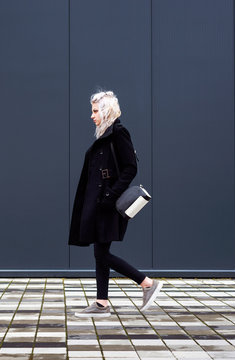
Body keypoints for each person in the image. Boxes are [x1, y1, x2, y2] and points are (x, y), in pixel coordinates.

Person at [69, 90, 162, 318]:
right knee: (100, 251)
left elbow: (131, 167)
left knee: (102, 253)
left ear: (106, 110)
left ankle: (147, 283)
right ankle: (102, 303)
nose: (91, 116)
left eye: (94, 111)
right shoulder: (104, 135)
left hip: (108, 205)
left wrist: (110, 196)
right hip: (99, 203)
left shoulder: (119, 133)